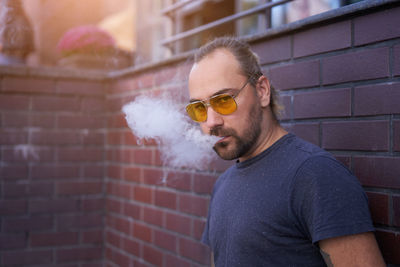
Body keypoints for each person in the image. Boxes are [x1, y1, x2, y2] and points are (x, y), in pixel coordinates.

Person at [186, 37, 385, 267]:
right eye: (199, 108)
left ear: (261, 91)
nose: (211, 122)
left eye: (223, 100)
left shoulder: (316, 175)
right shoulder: (222, 184)